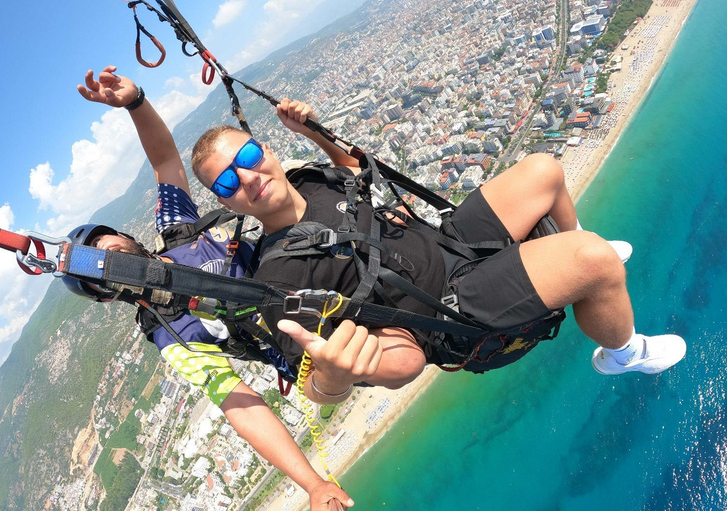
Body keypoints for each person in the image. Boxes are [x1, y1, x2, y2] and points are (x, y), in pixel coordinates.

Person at [189, 98, 687, 404]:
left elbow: (357, 175)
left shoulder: (308, 177)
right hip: (446, 310)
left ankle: (566, 248)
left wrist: (313, 133)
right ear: (224, 202)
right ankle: (623, 352)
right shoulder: (279, 282)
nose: (249, 177)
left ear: (267, 150)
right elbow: (313, 383)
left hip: (447, 241)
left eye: (249, 157)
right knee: (593, 261)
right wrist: (335, 379)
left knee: (543, 170)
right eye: (229, 181)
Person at [71, 66, 353, 510]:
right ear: (108, 293)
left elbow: (165, 162)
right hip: (309, 343)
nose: (112, 258)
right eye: (103, 267)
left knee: (310, 182)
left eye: (109, 247)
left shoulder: (177, 232)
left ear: (130, 238)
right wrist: (313, 484)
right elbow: (238, 403)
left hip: (320, 267)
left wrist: (135, 102)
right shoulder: (170, 334)